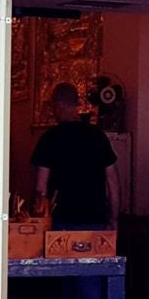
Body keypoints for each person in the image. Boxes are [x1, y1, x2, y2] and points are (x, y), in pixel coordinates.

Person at [30, 82, 119, 230]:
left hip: (60, 221)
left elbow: (41, 187)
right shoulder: (98, 136)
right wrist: (114, 219)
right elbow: (113, 183)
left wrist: (38, 223)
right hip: (95, 220)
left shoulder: (49, 139)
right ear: (75, 104)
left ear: (57, 106)